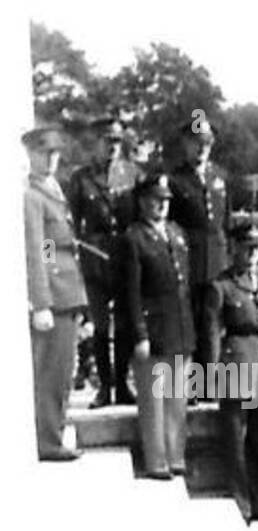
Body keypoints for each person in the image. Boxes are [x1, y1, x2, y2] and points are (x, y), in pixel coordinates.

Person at [201, 224, 258, 522]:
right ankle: (241, 500)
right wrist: (211, 373)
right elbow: (212, 332)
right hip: (237, 362)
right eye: (248, 248)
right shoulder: (221, 286)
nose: (253, 254)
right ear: (234, 248)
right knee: (235, 435)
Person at [119, 173, 194, 480]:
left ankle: (176, 455)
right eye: (155, 200)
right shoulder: (133, 238)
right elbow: (131, 292)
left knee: (178, 398)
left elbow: (184, 283)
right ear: (142, 202)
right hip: (153, 327)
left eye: (165, 201)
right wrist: (139, 334)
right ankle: (156, 460)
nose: (161, 206)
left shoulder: (176, 233)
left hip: (179, 325)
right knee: (153, 400)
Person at [23, 119, 87, 461]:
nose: (50, 160)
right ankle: (48, 439)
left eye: (55, 154)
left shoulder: (53, 191)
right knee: (52, 373)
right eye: (43, 153)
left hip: (69, 290)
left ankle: (54, 432)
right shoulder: (33, 197)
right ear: (30, 155)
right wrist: (42, 302)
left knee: (64, 372)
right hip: (56, 296)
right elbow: (40, 251)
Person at [66, 115, 136, 408]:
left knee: (124, 325)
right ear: (96, 143)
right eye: (108, 141)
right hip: (94, 258)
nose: (113, 147)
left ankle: (121, 383)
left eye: (118, 141)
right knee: (100, 327)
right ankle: (104, 387)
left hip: (123, 257)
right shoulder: (81, 178)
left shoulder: (131, 174)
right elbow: (69, 222)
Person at [168, 117, 228, 397]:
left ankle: (210, 386)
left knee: (212, 324)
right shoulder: (174, 180)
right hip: (187, 260)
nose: (201, 149)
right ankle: (190, 387)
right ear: (186, 145)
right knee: (187, 323)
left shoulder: (218, 178)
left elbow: (223, 223)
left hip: (215, 261)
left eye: (206, 143)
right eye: (196, 143)